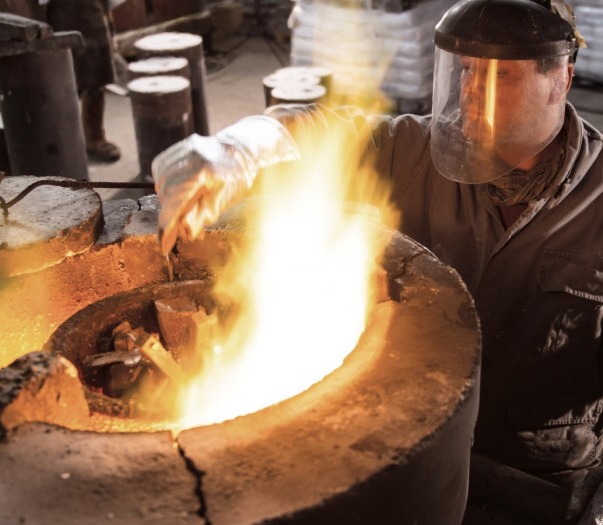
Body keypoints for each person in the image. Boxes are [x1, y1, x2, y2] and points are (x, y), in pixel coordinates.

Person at [151, 0, 603, 520]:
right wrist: (242, 147)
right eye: (469, 71)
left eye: (501, 75)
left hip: (539, 477)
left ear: (561, 79)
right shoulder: (422, 152)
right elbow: (330, 133)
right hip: (415, 444)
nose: (472, 93)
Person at [43, 0, 122, 163]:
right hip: (62, 22)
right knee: (63, 85)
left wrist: (112, 31)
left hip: (95, 19)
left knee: (97, 81)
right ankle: (60, 144)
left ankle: (95, 139)